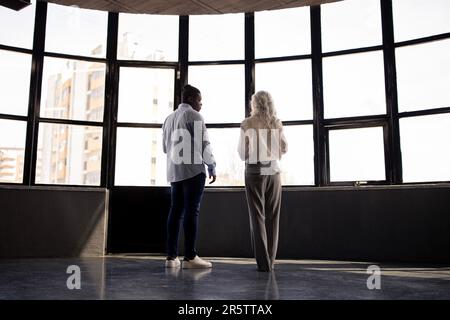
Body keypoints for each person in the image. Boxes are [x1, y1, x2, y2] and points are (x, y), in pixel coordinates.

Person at [162, 84, 216, 269]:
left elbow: (164, 148)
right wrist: (212, 165)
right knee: (192, 211)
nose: (201, 105)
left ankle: (171, 257)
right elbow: (204, 143)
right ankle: (190, 257)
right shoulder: (194, 115)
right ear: (192, 99)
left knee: (175, 212)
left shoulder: (168, 119)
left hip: (174, 172)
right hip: (193, 171)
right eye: (200, 101)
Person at [238, 91, 288, 272]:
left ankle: (263, 264)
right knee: (273, 218)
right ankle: (271, 262)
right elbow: (284, 148)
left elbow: (242, 153)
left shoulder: (247, 123)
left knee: (257, 217)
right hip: (273, 171)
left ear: (254, 104)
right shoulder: (276, 122)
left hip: (254, 171)